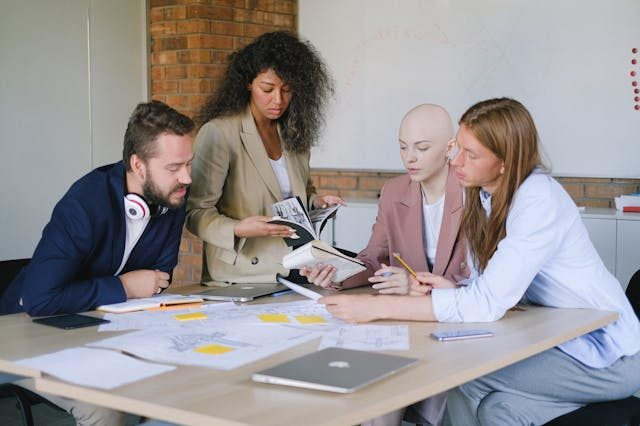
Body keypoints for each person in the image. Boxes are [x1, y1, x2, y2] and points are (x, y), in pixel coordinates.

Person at [319, 98, 640, 425]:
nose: (456, 162)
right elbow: (487, 285)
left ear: (503, 162)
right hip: (559, 338)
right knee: (497, 411)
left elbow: (486, 303)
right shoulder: (483, 196)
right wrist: (450, 287)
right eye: (459, 149)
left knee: (464, 377)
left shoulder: (539, 200)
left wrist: (377, 308)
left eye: (470, 155)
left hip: (607, 354)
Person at [0, 100, 194, 425]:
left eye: (189, 163)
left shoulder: (172, 196)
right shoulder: (84, 203)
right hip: (26, 332)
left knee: (188, 378)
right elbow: (40, 298)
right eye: (174, 168)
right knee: (102, 407)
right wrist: (124, 286)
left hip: (101, 328)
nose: (186, 178)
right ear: (138, 165)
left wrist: (133, 289)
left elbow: (158, 279)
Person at [300, 104, 467, 426]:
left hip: (454, 322)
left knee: (385, 393)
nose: (410, 158)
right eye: (403, 147)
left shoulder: (474, 193)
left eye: (421, 147)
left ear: (450, 148)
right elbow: (372, 259)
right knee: (364, 390)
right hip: (399, 322)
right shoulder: (394, 192)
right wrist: (334, 274)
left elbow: (481, 279)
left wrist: (414, 285)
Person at [186, 31, 343, 285]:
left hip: (297, 263)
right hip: (244, 273)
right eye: (267, 89)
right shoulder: (220, 133)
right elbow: (195, 213)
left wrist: (317, 203)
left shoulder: (294, 132)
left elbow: (297, 193)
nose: (278, 100)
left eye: (287, 90)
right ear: (248, 83)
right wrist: (238, 229)